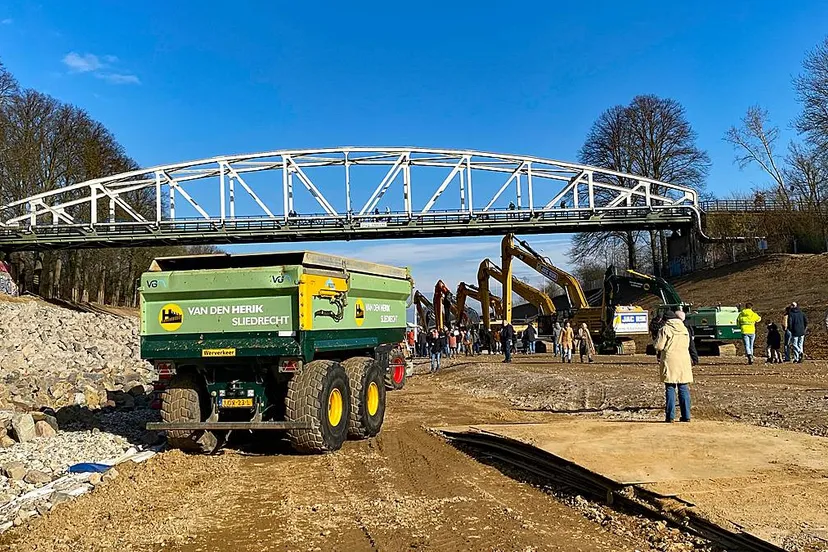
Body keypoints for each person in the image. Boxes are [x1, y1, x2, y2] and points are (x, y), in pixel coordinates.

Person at [655, 310, 693, 423]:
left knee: (670, 387)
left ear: (666, 319)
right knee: (683, 386)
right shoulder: (684, 329)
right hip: (684, 359)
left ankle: (670, 416)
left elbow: (659, 346)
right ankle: (686, 415)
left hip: (670, 359)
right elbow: (688, 344)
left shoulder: (665, 329)